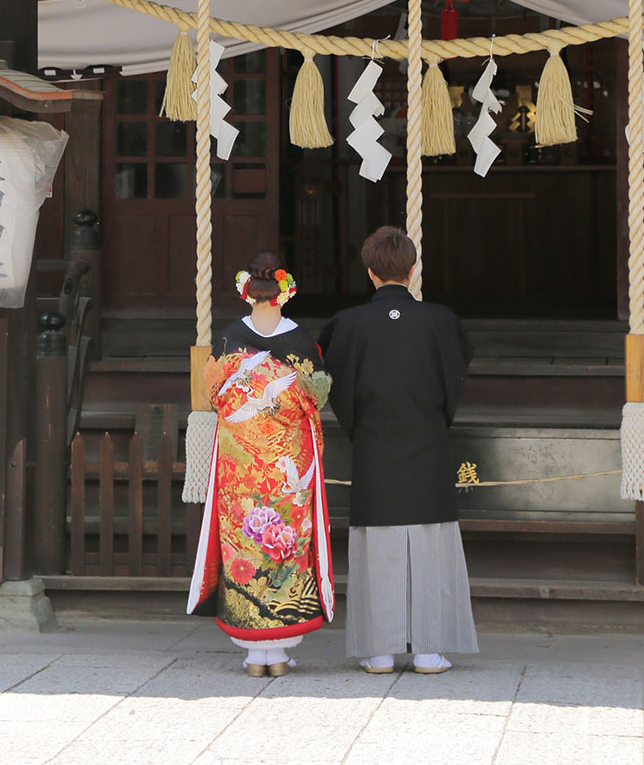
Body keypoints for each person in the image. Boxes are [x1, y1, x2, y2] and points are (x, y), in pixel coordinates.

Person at [318, 226, 477, 675]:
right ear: (412, 270)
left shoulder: (348, 324)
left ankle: (378, 651)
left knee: (378, 549)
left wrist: (361, 424)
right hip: (425, 443)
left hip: (374, 446)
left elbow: (335, 384)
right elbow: (456, 372)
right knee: (429, 542)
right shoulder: (440, 320)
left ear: (370, 273)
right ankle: (429, 650)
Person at [187, 251, 334, 677]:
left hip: (241, 465)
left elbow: (217, 397)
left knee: (244, 542)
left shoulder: (229, 338)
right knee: (287, 542)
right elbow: (315, 398)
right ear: (286, 292)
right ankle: (282, 649)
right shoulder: (302, 342)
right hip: (288, 462)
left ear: (244, 291)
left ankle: (253, 653)